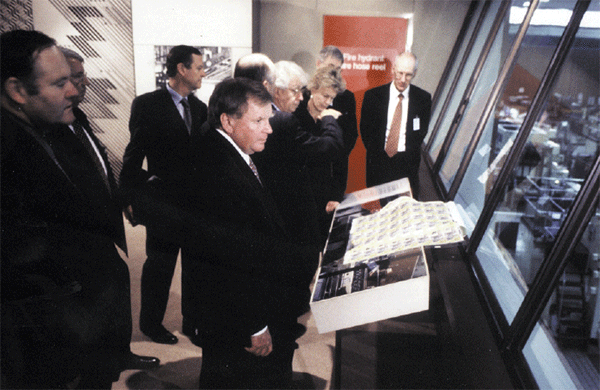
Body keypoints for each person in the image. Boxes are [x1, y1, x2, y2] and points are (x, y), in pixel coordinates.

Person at [1, 30, 158, 390]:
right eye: (59, 83)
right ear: (17, 90)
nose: (74, 90)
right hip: (43, 336)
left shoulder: (46, 128)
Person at [186, 77, 320, 389]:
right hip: (242, 321)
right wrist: (255, 326)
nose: (269, 129)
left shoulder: (229, 153)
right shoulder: (218, 171)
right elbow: (225, 263)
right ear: (227, 121)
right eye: (259, 120)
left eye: (268, 119)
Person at [119, 45, 208, 345]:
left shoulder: (199, 108)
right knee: (160, 264)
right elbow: (134, 154)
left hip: (195, 203)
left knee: (195, 265)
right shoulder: (147, 104)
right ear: (182, 69)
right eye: (198, 67)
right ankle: (151, 324)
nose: (203, 72)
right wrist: (128, 196)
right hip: (163, 202)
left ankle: (192, 323)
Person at [236, 54, 343, 248]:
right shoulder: (282, 121)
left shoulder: (252, 116)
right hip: (290, 223)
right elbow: (329, 149)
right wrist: (329, 119)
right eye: (295, 91)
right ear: (276, 91)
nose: (301, 97)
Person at [360, 52, 432, 199]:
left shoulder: (423, 99)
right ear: (393, 69)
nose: (403, 80)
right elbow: (365, 130)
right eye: (400, 73)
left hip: (406, 165)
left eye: (408, 75)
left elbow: (421, 131)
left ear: (415, 73)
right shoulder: (373, 96)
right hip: (380, 163)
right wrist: (377, 153)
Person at [293, 65, 345, 245]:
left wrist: (336, 196)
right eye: (325, 96)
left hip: (325, 194)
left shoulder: (333, 116)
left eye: (332, 98)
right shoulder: (296, 115)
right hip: (302, 196)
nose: (328, 102)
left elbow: (340, 161)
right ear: (313, 89)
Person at [316, 45, 358, 200]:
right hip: (312, 170)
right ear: (318, 64)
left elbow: (352, 134)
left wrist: (336, 154)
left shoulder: (347, 97)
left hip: (337, 170)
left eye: (338, 69)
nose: (334, 73)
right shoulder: (304, 94)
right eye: (330, 67)